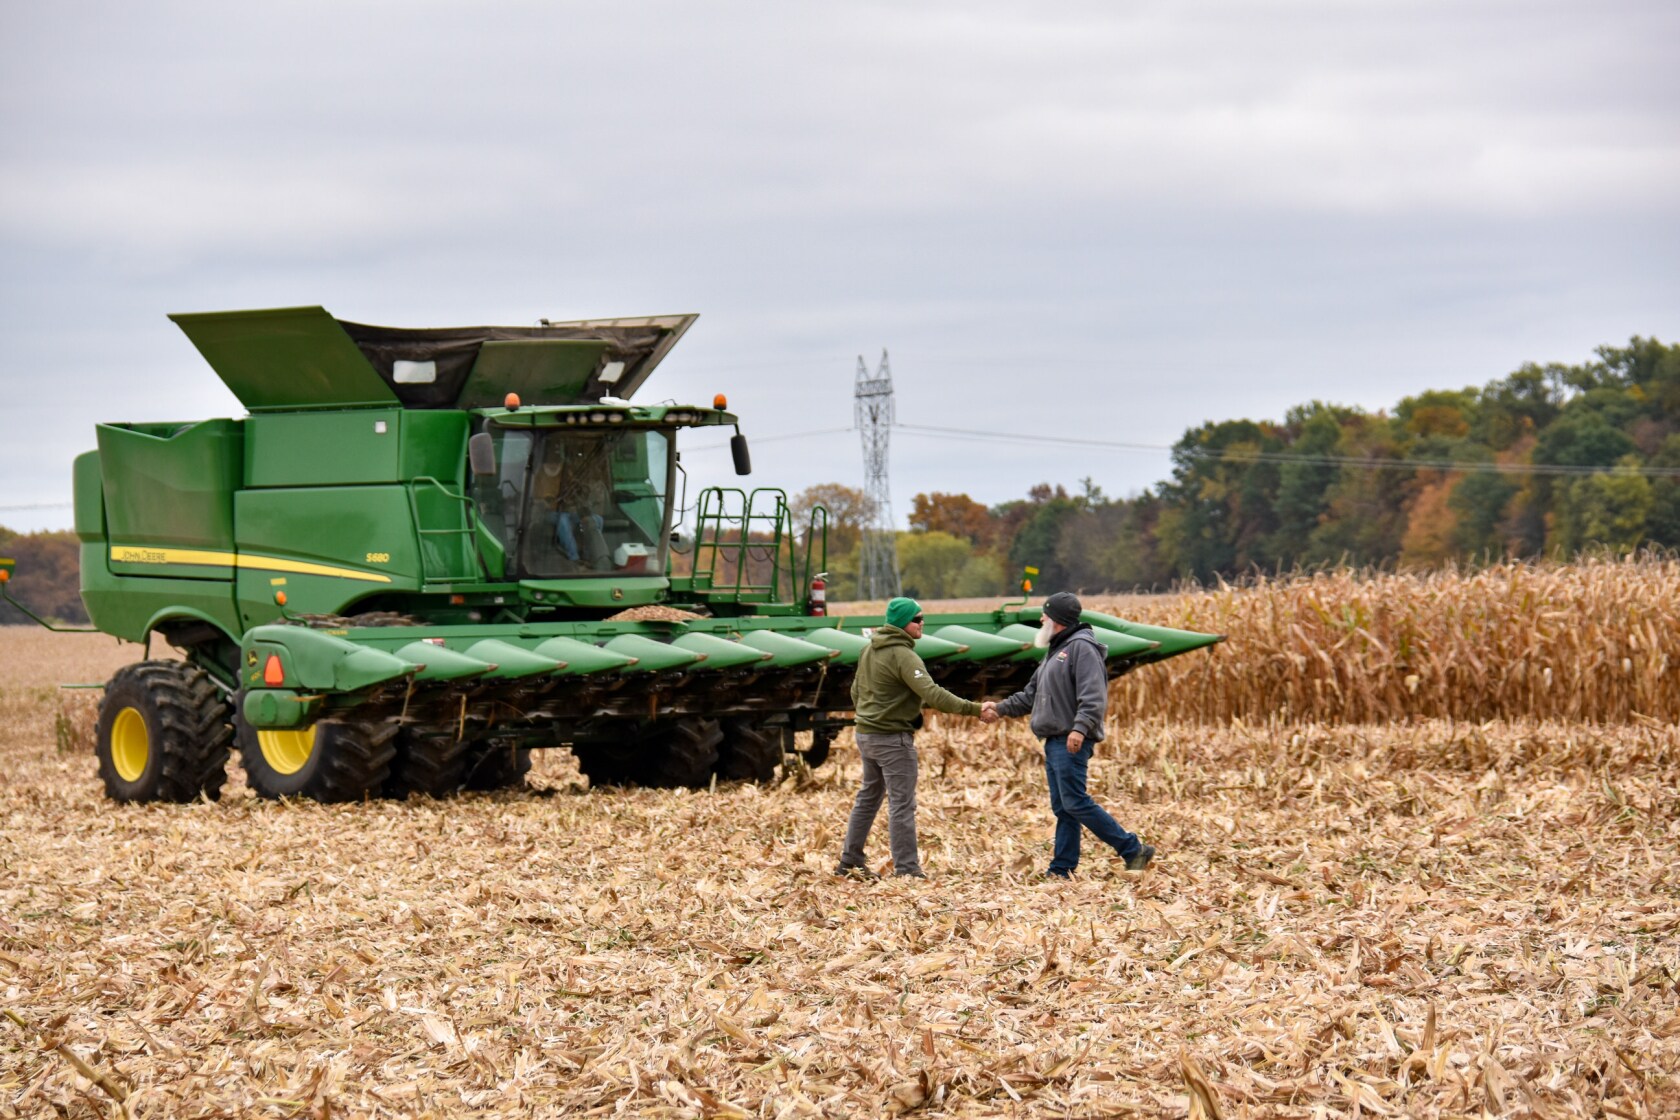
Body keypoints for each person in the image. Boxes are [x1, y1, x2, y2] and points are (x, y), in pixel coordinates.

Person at [985, 591, 1154, 879]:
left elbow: (1093, 696)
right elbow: (1030, 696)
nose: (1040, 619)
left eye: (1045, 615)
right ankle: (1062, 868)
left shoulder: (1081, 648)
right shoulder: (1056, 650)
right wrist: (998, 708)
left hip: (1071, 739)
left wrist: (1080, 728)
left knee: (1075, 801)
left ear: (1058, 620)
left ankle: (1132, 849)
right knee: (1064, 807)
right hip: (1054, 740)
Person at [837, 596, 997, 880]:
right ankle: (908, 870)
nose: (923, 624)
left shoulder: (868, 649)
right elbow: (933, 694)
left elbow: (855, 691)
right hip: (892, 740)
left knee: (868, 798)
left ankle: (849, 862)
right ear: (902, 623)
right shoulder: (904, 655)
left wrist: (869, 714)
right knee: (902, 805)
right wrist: (974, 709)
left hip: (866, 735)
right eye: (918, 619)